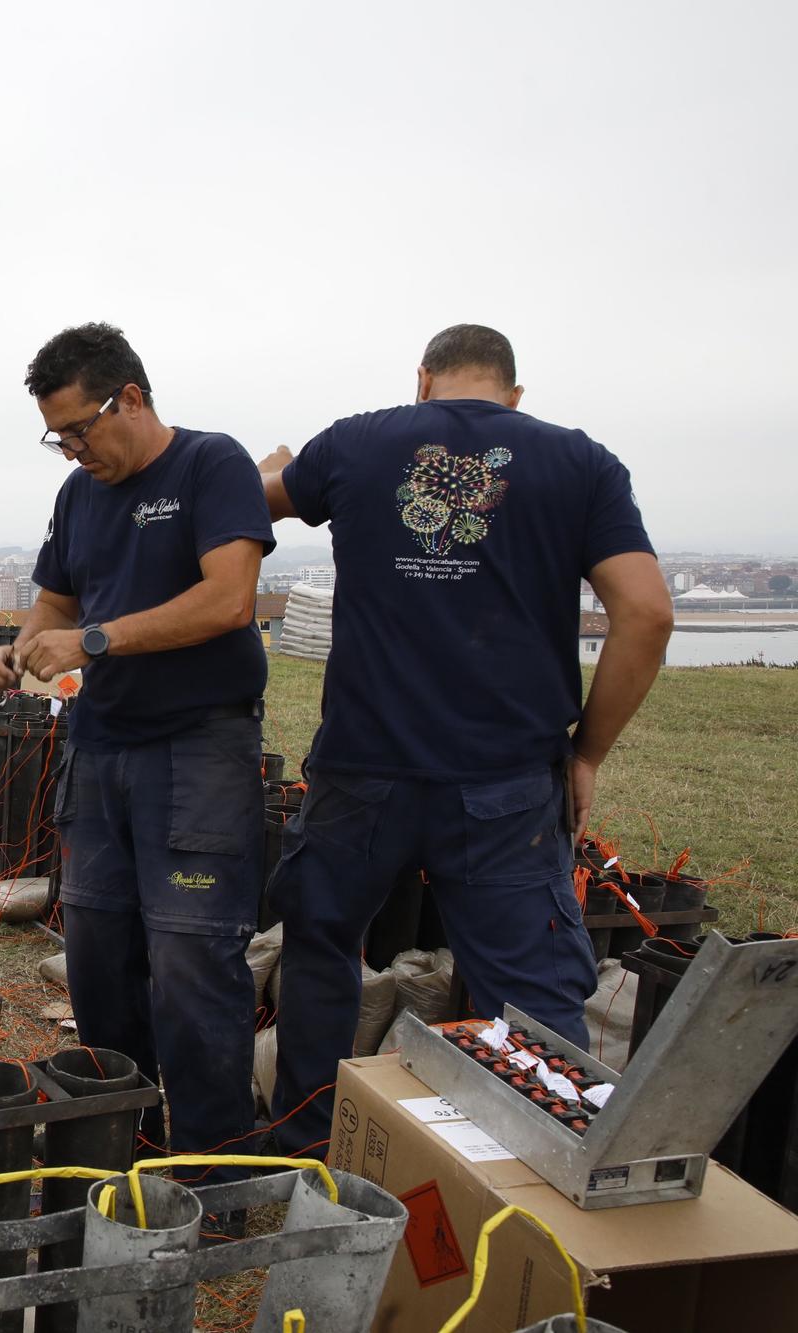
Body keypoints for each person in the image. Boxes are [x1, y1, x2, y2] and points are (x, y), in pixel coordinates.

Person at [259, 324, 673, 1156]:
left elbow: (249, 499)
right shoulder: (580, 461)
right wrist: (584, 752)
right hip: (506, 780)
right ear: (513, 394)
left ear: (424, 380)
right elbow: (649, 612)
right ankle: (530, 1162)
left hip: (361, 770)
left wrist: (281, 462)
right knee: (530, 987)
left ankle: (307, 1139)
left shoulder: (357, 442)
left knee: (322, 946)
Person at [0, 322, 273, 1184]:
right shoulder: (80, 498)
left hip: (199, 750)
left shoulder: (211, 467)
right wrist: (23, 645)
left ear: (133, 398)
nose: (73, 451)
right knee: (99, 956)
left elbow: (228, 600)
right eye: (57, 437)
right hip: (102, 747)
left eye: (81, 429)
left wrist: (94, 642)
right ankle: (130, 1142)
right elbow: (54, 603)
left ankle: (215, 1171)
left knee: (191, 960)